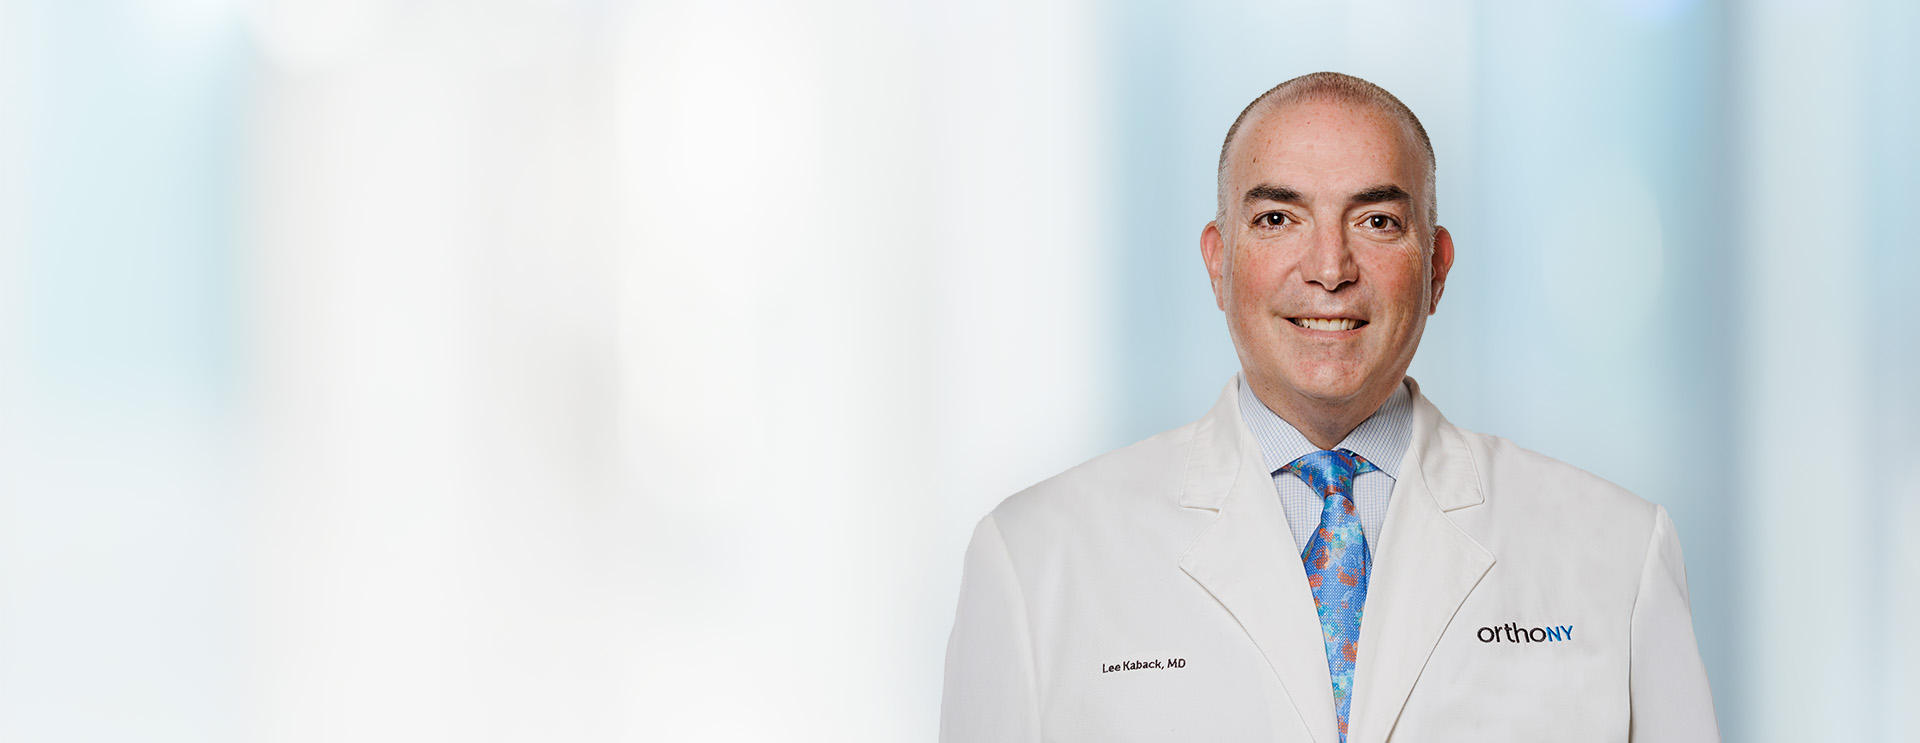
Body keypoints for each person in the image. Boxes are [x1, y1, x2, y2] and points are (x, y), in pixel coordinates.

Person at [938, 72, 1719, 742]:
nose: (1329, 268)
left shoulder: (1616, 551)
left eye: (1377, 221)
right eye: (1278, 218)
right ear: (1218, 262)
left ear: (1436, 267)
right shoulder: (1037, 557)